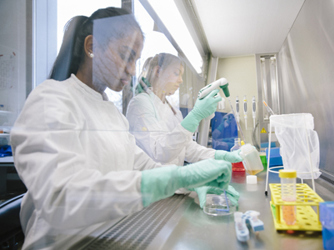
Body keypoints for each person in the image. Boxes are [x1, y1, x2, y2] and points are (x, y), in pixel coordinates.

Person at [10, 8, 232, 249]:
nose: (132, 69)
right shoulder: (51, 99)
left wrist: (191, 183)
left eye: (136, 60)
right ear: (92, 46)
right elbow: (61, 197)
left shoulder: (113, 116)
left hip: (110, 236)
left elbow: (145, 167)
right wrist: (176, 177)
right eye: (126, 55)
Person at [126, 53, 243, 208]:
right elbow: (159, 152)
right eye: (176, 73)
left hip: (173, 192)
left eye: (181, 75)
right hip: (150, 196)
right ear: (158, 71)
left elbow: (187, 148)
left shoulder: (172, 109)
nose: (180, 80)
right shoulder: (140, 104)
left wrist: (221, 156)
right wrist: (195, 116)